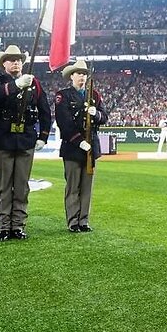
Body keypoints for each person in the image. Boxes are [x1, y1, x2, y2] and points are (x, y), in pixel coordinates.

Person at [0, 45, 51, 241]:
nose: (16, 62)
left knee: (21, 185)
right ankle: (3, 226)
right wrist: (16, 85)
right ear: (3, 63)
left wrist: (43, 136)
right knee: (3, 185)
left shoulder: (34, 83)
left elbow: (44, 110)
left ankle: (18, 225)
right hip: (3, 139)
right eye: (11, 59)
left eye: (19, 59)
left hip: (26, 139)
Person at [53, 58, 108, 233]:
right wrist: (79, 141)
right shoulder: (63, 95)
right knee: (73, 186)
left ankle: (84, 220)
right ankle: (73, 221)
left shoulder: (94, 95)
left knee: (86, 187)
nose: (82, 77)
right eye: (78, 74)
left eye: (84, 74)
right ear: (71, 76)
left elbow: (105, 117)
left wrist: (97, 114)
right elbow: (64, 123)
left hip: (91, 147)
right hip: (72, 147)